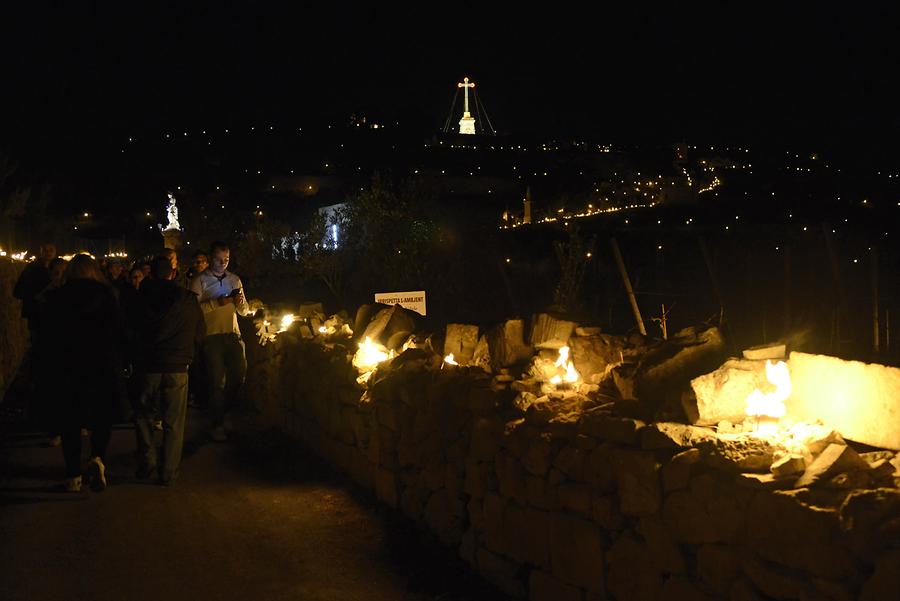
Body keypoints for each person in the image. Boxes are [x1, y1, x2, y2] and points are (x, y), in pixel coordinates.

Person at [41, 254, 128, 492]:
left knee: (70, 422)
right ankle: (97, 458)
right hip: (101, 365)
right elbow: (119, 330)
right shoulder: (107, 295)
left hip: (68, 366)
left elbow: (46, 336)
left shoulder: (58, 297)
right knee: (102, 417)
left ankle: (73, 477)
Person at [132, 256, 205, 485]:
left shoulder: (139, 299)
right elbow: (199, 332)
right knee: (174, 422)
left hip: (147, 366)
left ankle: (148, 460)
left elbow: (130, 330)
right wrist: (189, 355)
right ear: (173, 274)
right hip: (177, 367)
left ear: (150, 274)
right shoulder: (187, 300)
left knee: (143, 417)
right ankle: (169, 472)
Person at [190, 241, 250, 442]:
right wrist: (218, 303)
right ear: (210, 258)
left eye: (227, 259)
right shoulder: (200, 280)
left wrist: (242, 304)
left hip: (233, 335)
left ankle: (223, 414)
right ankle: (217, 424)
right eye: (219, 259)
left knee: (239, 376)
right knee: (217, 382)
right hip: (211, 336)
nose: (223, 263)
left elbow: (243, 311)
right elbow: (193, 311)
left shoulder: (235, 280)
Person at [13, 243, 57, 334]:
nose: (48, 253)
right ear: (40, 252)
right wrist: (34, 296)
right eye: (45, 250)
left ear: (55, 252)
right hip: (36, 313)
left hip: (53, 313)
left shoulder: (58, 268)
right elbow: (19, 290)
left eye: (51, 250)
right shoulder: (31, 268)